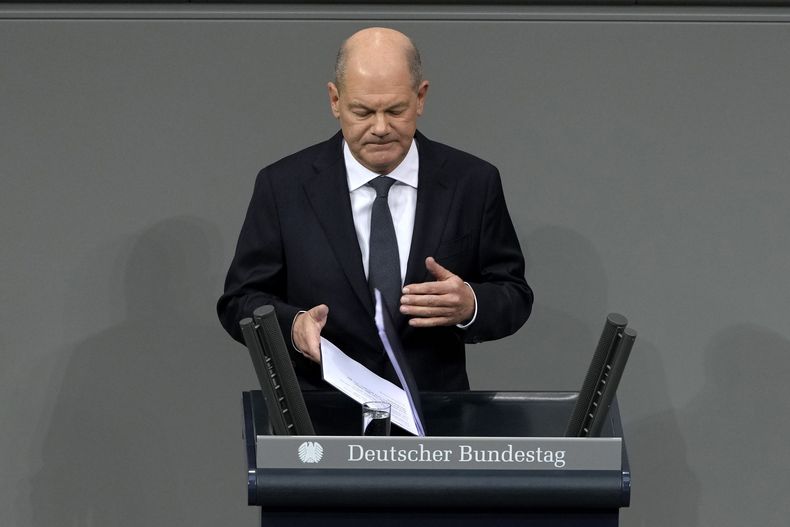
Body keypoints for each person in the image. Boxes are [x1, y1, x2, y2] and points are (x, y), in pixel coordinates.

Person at [217, 27, 533, 391]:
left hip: (435, 421)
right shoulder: (283, 186)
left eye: (396, 110)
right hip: (322, 422)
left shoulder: (472, 182)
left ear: (421, 98)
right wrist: (292, 326)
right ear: (335, 101)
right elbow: (239, 301)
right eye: (363, 112)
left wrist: (470, 305)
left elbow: (513, 294)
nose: (380, 128)